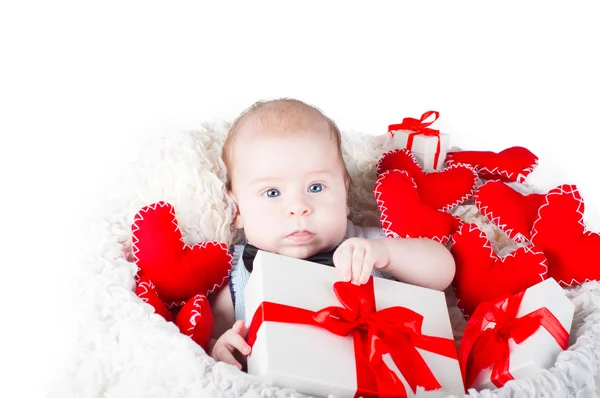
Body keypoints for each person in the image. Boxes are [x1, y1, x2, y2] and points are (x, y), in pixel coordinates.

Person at [208, 98, 455, 369]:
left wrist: (387, 254)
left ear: (345, 194)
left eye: (316, 187)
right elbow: (211, 339)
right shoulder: (235, 277)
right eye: (272, 192)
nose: (299, 208)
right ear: (237, 211)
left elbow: (443, 271)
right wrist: (221, 348)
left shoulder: (368, 247)